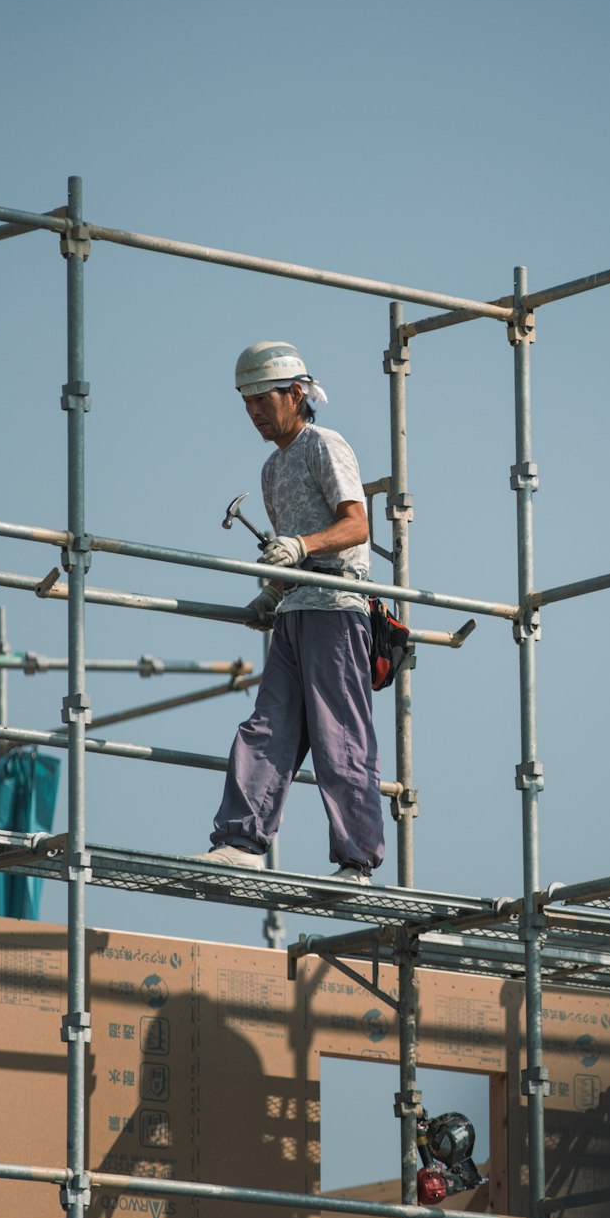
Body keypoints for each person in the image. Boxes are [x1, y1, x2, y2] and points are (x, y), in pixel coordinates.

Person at [193, 341, 385, 882]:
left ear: (296, 394)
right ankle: (241, 840)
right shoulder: (272, 469)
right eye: (245, 401)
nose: (253, 411)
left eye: (262, 398)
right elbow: (287, 550)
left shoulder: (325, 444)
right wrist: (273, 594)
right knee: (266, 728)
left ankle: (356, 858)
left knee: (338, 736)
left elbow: (356, 525)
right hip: (296, 612)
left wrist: (301, 546)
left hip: (337, 608)